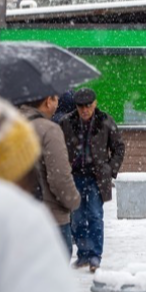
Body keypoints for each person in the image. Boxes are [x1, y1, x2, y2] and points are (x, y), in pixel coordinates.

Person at [0, 94, 77, 292]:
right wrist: (73, 201)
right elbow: (60, 178)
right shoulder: (17, 219)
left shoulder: (16, 119)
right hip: (54, 214)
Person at [59, 88, 125, 272]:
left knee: (95, 215)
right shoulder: (67, 122)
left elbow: (119, 147)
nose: (85, 110)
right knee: (77, 218)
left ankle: (95, 255)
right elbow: (59, 148)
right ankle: (83, 254)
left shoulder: (105, 121)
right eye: (81, 107)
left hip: (97, 177)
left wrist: (110, 169)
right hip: (75, 176)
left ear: (94, 104)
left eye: (88, 106)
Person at [20, 95, 81, 258]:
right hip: (51, 217)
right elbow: (59, 178)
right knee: (53, 275)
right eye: (55, 99)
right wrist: (73, 200)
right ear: (48, 101)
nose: (57, 104)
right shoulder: (49, 130)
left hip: (18, 217)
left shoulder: (10, 126)